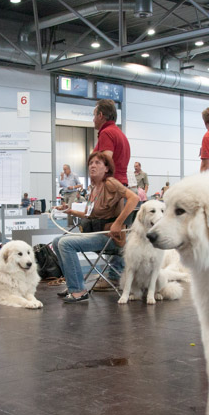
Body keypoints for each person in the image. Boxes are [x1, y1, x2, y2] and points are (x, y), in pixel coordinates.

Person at [53, 151, 138, 303]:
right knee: (56, 241)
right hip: (97, 234)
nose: (92, 165)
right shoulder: (93, 188)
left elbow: (134, 198)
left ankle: (78, 291)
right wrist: (69, 210)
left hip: (109, 238)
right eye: (91, 163)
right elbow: (89, 215)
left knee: (65, 243)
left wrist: (118, 223)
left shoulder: (110, 183)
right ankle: (73, 285)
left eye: (97, 163)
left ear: (106, 168)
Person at [93, 99, 130, 186]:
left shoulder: (106, 133)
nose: (93, 120)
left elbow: (105, 161)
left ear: (100, 115)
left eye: (94, 115)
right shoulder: (119, 133)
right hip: (120, 184)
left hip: (110, 186)